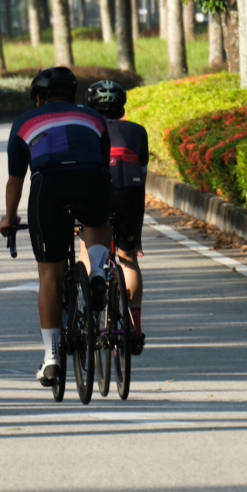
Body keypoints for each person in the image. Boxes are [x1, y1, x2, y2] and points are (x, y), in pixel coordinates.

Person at [0, 66, 113, 387]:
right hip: (92, 178)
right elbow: (101, 164)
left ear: (38, 98)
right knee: (98, 220)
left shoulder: (24, 122)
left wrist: (9, 217)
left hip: (49, 184)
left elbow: (15, 179)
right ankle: (99, 272)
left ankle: (50, 360)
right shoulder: (93, 118)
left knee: (49, 276)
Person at [85, 80, 148, 355]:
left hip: (96, 193)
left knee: (87, 251)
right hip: (130, 196)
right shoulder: (137, 131)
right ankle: (133, 330)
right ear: (121, 106)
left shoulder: (87, 129)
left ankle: (90, 317)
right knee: (128, 258)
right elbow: (142, 177)